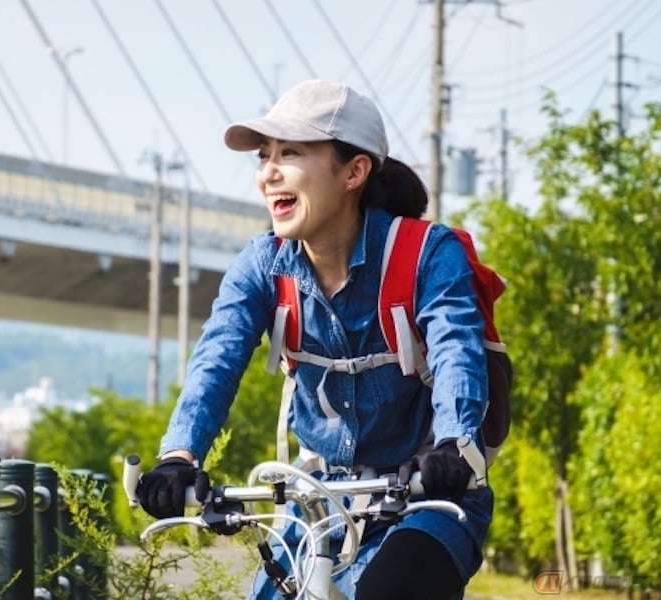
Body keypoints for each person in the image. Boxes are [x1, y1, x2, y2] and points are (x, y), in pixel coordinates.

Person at [136, 79, 493, 600]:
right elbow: (216, 359)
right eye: (264, 156)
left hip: (427, 498)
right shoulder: (262, 266)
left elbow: (457, 349)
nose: (268, 173)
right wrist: (179, 457)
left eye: (291, 153)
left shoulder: (425, 255)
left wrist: (452, 445)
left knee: (389, 591)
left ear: (354, 171)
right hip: (318, 501)